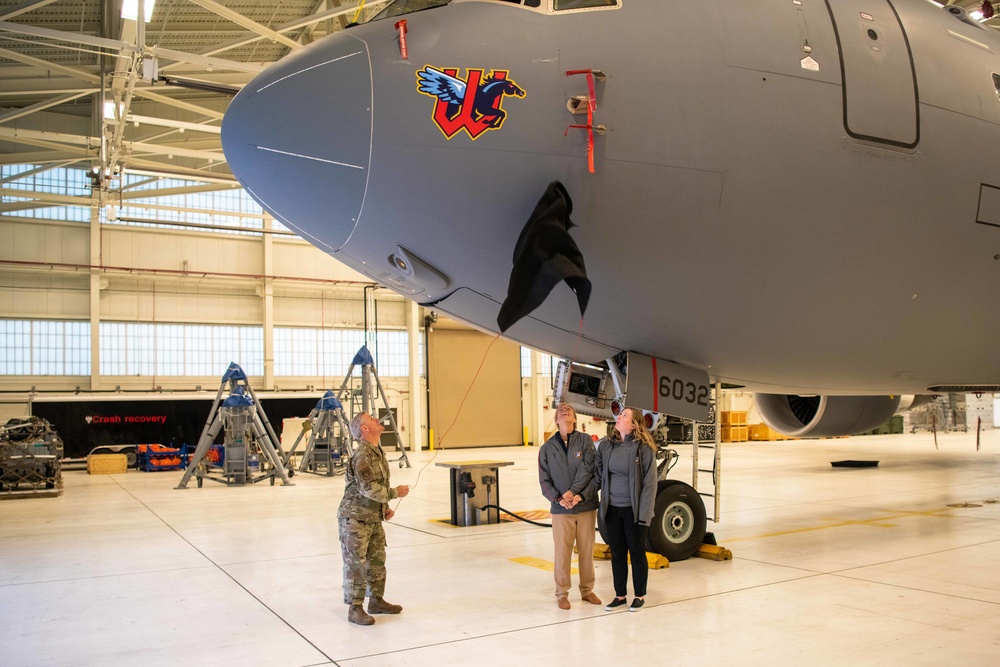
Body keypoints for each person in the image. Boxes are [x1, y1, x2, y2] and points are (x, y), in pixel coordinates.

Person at [338, 411, 410, 625]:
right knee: (355, 564)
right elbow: (368, 487)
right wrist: (394, 493)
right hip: (354, 519)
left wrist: (384, 507)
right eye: (370, 418)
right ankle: (355, 608)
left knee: (377, 561)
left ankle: (376, 601)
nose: (377, 419)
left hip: (372, 517)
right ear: (364, 429)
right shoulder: (362, 454)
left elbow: (376, 487)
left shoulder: (377, 452)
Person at [538, 403, 602, 610]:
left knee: (586, 550)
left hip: (585, 506)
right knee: (562, 553)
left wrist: (576, 494)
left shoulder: (585, 442)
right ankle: (562, 594)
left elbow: (589, 470)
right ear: (556, 420)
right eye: (561, 411)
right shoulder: (547, 448)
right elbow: (544, 480)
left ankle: (587, 590)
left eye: (569, 411)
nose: (565, 411)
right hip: (561, 509)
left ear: (575, 418)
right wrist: (558, 499)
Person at [596, 406, 658, 612]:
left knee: (637, 553)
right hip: (612, 510)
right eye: (620, 414)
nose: (619, 417)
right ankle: (620, 595)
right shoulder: (607, 446)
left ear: (633, 424)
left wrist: (644, 515)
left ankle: (639, 595)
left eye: (624, 415)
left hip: (634, 511)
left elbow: (650, 483)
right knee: (618, 553)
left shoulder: (643, 448)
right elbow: (599, 474)